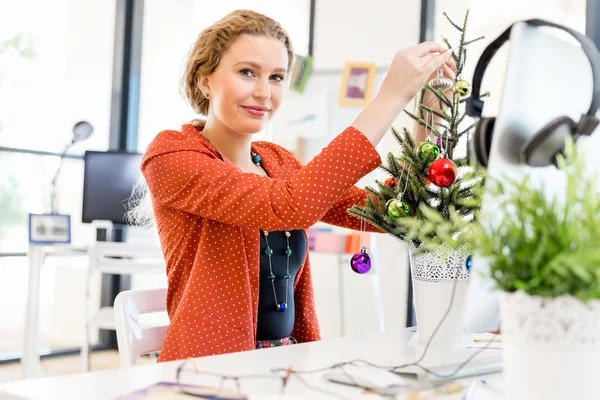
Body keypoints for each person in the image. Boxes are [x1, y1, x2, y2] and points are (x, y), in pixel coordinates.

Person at [131, 9, 455, 362]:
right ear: (203, 80)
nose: (263, 92)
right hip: (208, 369)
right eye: (246, 72)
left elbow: (393, 215)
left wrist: (429, 120)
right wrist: (390, 97)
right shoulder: (172, 154)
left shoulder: (277, 161)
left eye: (276, 77)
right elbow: (287, 206)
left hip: (287, 363)